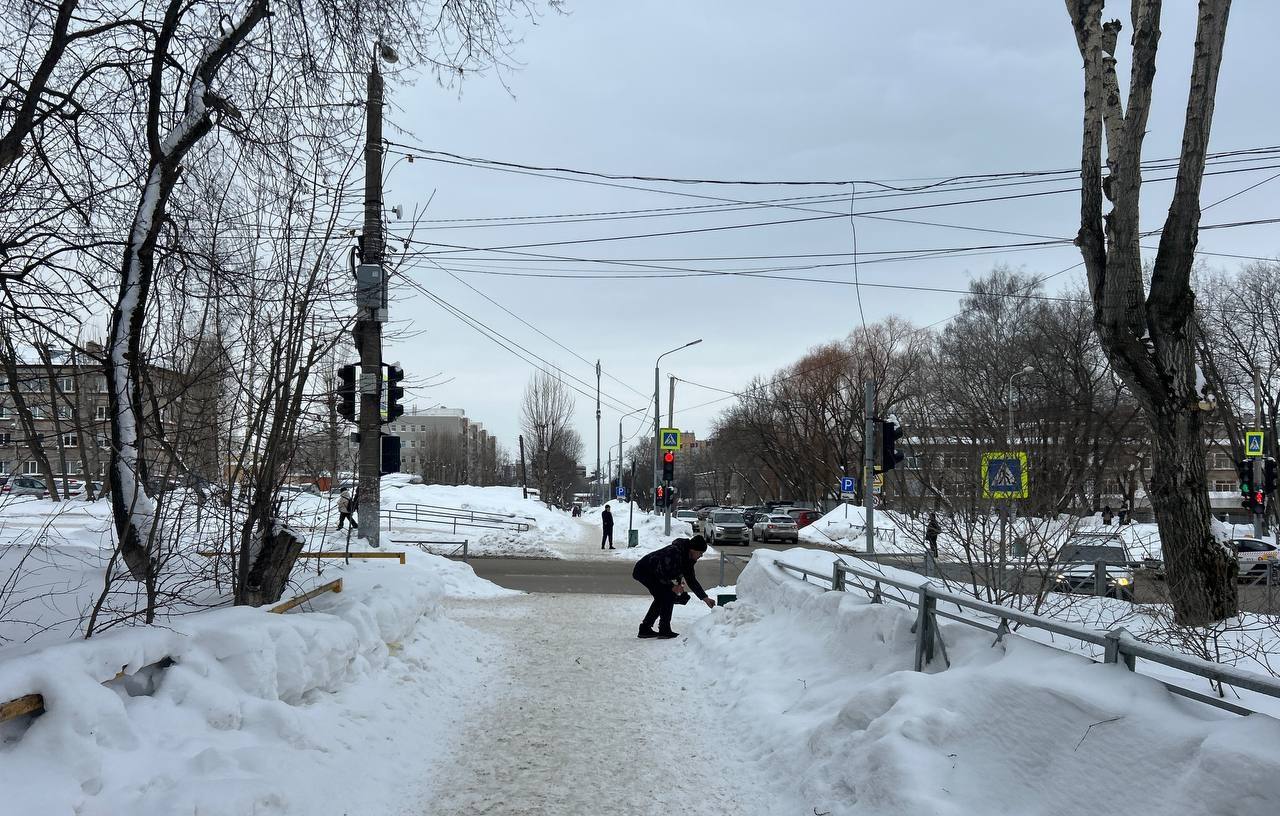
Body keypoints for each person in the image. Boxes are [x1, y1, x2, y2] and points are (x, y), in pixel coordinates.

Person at [632, 535, 715, 639]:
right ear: (693, 549)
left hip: (656, 573)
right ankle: (664, 629)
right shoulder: (674, 552)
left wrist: (705, 598)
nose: (701, 555)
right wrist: (673, 587)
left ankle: (645, 628)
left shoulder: (688, 559)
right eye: (700, 553)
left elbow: (691, 580)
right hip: (645, 571)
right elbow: (661, 572)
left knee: (662, 597)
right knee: (667, 595)